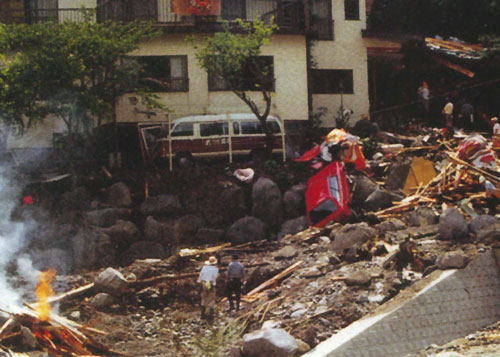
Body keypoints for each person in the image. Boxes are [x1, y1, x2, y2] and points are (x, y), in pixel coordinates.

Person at [197, 256, 219, 321]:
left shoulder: (204, 268)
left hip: (204, 283)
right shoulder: (215, 269)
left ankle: (202, 314)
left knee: (204, 297)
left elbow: (200, 276)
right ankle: (211, 314)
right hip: (211, 283)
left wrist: (199, 283)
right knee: (211, 298)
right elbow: (215, 277)